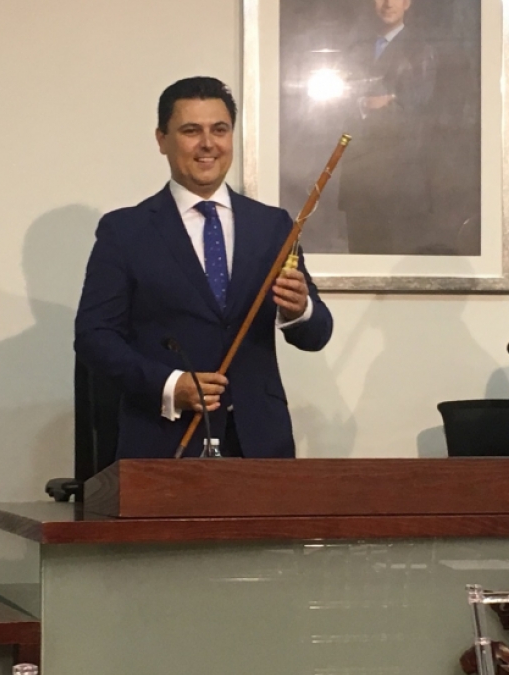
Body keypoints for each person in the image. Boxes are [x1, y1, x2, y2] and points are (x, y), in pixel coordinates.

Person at [75, 77, 333, 459]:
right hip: (164, 441)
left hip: (261, 443)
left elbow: (317, 334)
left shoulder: (273, 226)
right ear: (162, 140)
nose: (208, 143)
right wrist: (169, 385)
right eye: (191, 131)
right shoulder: (125, 231)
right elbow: (94, 337)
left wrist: (300, 310)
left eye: (220, 130)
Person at [338, 0, 436, 255]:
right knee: (360, 255)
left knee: (394, 257)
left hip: (398, 178)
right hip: (359, 177)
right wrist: (365, 103)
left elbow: (420, 105)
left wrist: (388, 103)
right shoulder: (356, 50)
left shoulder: (420, 50)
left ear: (407, 3)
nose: (388, 3)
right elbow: (337, 103)